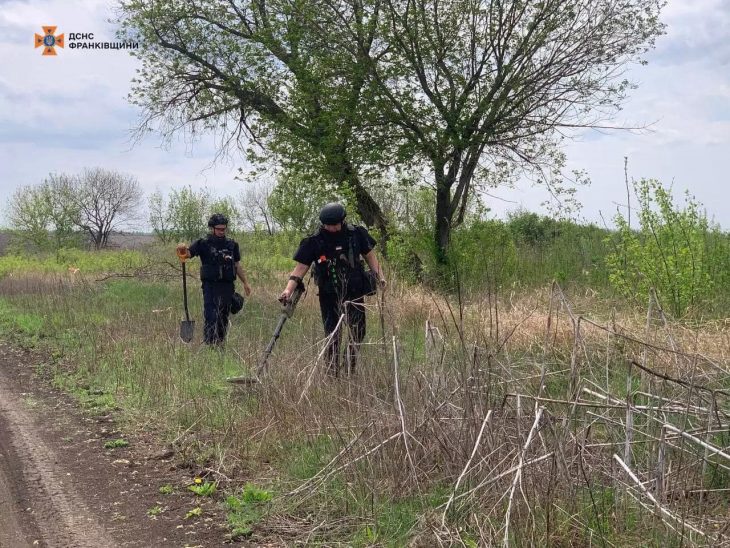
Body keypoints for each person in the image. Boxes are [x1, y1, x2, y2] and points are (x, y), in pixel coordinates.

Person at [279, 202, 386, 375]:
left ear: (342, 221)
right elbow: (301, 268)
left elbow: (370, 256)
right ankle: (332, 372)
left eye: (335, 224)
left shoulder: (356, 234)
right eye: (328, 225)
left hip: (354, 291)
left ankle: (349, 366)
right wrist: (288, 290)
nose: (332, 228)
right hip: (329, 294)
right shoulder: (314, 241)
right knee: (332, 335)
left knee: (358, 331)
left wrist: (380, 277)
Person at [176, 213, 252, 346]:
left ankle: (220, 344)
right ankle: (209, 344)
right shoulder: (203, 243)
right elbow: (188, 254)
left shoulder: (232, 244)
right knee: (211, 316)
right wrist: (182, 250)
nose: (222, 231)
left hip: (227, 287)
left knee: (223, 317)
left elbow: (236, 265)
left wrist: (245, 282)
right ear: (212, 228)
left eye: (224, 229)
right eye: (219, 229)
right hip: (210, 287)